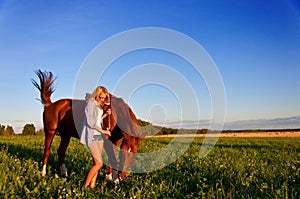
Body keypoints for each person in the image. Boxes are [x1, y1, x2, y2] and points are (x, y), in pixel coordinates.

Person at [80, 86, 111, 189]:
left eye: (104, 98)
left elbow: (97, 120)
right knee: (99, 164)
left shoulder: (98, 105)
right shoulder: (90, 104)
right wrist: (104, 131)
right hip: (91, 135)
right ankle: (85, 187)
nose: (102, 100)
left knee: (95, 163)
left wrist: (105, 114)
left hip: (98, 136)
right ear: (97, 94)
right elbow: (90, 123)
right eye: (101, 97)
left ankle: (92, 186)